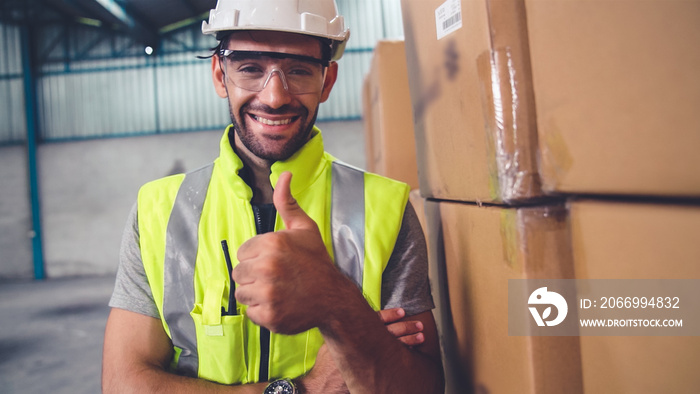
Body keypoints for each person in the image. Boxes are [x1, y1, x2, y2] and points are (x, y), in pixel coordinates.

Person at [102, 1, 444, 393]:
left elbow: (425, 387)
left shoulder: (385, 209)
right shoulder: (156, 212)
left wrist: (337, 304)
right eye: (250, 68)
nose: (276, 96)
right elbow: (123, 384)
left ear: (327, 81)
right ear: (220, 75)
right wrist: (302, 388)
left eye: (298, 70)